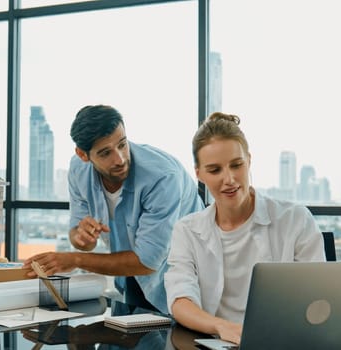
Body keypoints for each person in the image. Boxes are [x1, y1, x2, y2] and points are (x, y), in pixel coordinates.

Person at [23, 104, 204, 315]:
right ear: (83, 155)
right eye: (105, 152)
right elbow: (77, 235)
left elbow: (147, 260)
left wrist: (73, 259)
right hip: (132, 278)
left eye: (122, 144)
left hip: (184, 280)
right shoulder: (78, 170)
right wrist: (82, 238)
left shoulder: (162, 177)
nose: (119, 159)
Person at [164, 112, 325, 344]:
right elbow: (180, 300)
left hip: (284, 341)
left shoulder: (295, 219)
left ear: (249, 160)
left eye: (236, 165)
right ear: (199, 174)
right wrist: (222, 327)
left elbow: (317, 297)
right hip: (217, 341)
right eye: (215, 170)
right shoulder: (187, 230)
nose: (229, 179)